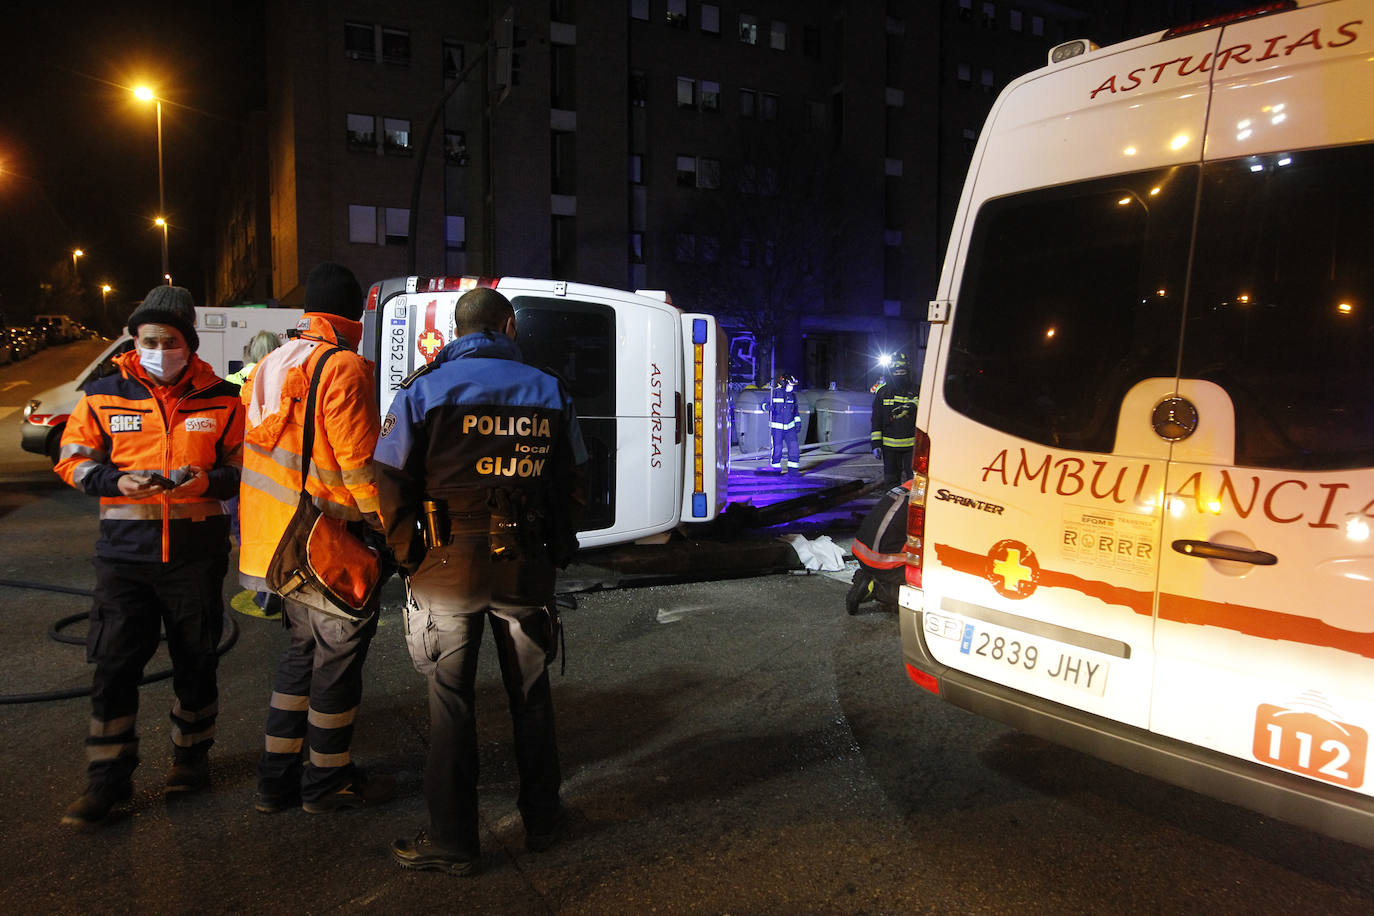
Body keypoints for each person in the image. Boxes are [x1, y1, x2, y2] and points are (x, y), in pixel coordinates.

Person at [375, 286, 587, 876]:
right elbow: (574, 478)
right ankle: (544, 821)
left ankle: (454, 842)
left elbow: (389, 476)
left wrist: (407, 552)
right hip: (524, 565)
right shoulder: (549, 388)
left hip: (447, 567)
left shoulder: (421, 390)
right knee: (532, 698)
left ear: (456, 331)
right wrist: (559, 548)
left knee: (451, 706)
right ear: (508, 326)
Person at [55, 286, 244, 826]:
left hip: (195, 556)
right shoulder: (103, 394)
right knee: (114, 666)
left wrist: (209, 478)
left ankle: (190, 762)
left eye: (171, 340)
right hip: (125, 558)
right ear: (135, 341)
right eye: (149, 339)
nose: (160, 348)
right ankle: (108, 781)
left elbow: (242, 465)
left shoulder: (224, 398)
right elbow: (73, 461)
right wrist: (116, 480)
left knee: (196, 660)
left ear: (189, 344)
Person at [238, 262, 393, 815]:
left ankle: (274, 780)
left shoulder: (269, 365)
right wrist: (387, 529)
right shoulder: (344, 368)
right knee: (337, 661)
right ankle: (327, 782)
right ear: (353, 316)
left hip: (274, 547)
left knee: (300, 658)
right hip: (325, 545)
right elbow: (359, 471)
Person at [845, 478, 913, 614]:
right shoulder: (922, 502)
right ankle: (881, 589)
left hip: (862, 553)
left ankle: (867, 578)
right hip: (883, 562)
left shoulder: (904, 489)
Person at [871, 352, 918, 485]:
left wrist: (912, 406)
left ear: (908, 371)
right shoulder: (883, 393)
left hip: (912, 447)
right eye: (896, 372)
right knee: (891, 482)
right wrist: (876, 444)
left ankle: (910, 506)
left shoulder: (916, 391)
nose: (900, 374)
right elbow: (876, 419)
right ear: (891, 372)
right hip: (889, 448)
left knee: (914, 484)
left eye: (902, 371)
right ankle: (892, 505)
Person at [768, 373, 801, 474]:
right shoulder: (774, 393)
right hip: (777, 428)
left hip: (790, 428)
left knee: (794, 447)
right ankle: (775, 470)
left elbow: (795, 411)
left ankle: (793, 470)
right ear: (784, 383)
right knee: (777, 449)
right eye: (790, 384)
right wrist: (767, 407)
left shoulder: (793, 396)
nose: (791, 387)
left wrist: (798, 422)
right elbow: (763, 404)